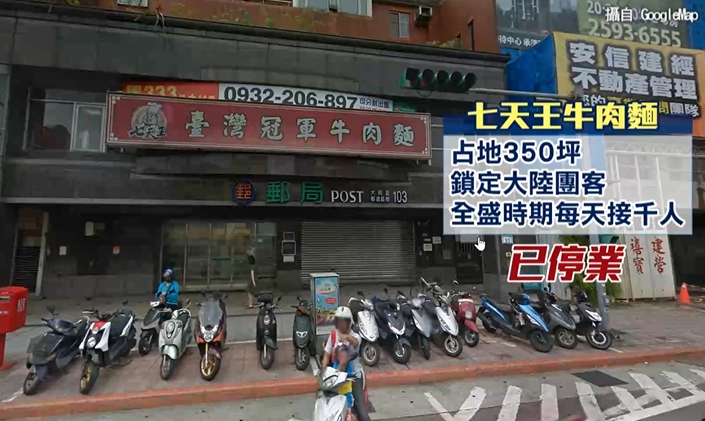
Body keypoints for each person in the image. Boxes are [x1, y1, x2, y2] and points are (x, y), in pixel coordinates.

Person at [321, 307, 371, 421]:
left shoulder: (355, 335)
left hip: (354, 376)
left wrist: (346, 337)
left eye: (344, 321)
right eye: (339, 321)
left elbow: (356, 342)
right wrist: (323, 372)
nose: (341, 324)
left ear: (349, 323)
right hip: (336, 377)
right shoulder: (333, 335)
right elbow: (327, 355)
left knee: (362, 413)